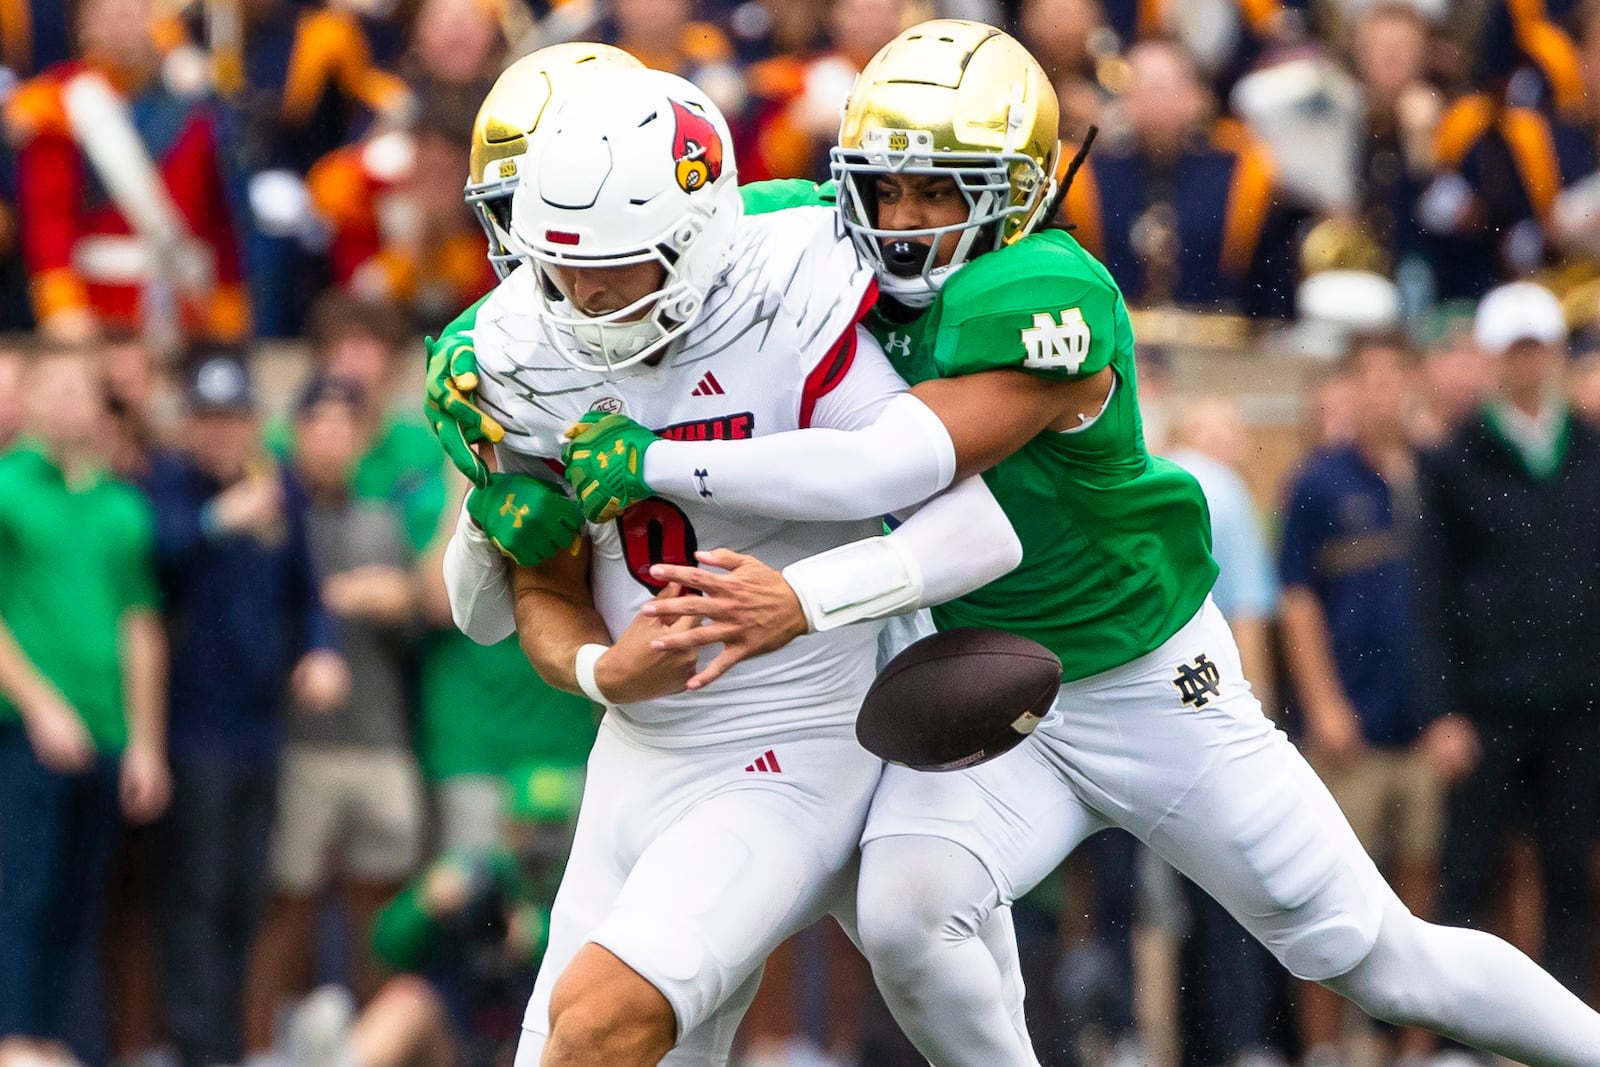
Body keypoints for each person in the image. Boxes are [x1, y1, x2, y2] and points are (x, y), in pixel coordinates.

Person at [540, 21, 1600, 1066]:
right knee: (908, 917)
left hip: (1144, 674)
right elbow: (690, 227)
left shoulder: (1049, 292)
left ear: (1020, 186)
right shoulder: (827, 244)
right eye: (885, 187)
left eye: (940, 190)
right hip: (997, 695)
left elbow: (905, 472)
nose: (902, 220)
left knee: (1371, 953)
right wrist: (492, 335)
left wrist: (650, 462)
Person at [439, 64, 1021, 1067]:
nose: (582, 291)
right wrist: (591, 659)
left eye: (617, 262)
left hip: (793, 740)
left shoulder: (784, 293)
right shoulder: (514, 344)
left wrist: (800, 598)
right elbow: (514, 605)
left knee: (597, 1023)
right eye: (559, 263)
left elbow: (973, 531)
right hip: (632, 754)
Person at [141, 352, 349, 1067]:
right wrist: (215, 518)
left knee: (243, 893)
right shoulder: (171, 484)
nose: (221, 434)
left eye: (232, 419)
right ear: (191, 425)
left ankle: (228, 1043)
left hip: (262, 728)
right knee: (193, 893)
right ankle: (194, 1043)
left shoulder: (277, 488)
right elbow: (154, 555)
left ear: (253, 424)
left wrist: (321, 650)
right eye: (209, 420)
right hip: (193, 727)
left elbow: (308, 592)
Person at [1416, 281, 1600, 1005]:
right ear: (1493, 359)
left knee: (1569, 873)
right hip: (1485, 703)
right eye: (1513, 351)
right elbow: (1429, 593)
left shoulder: (1589, 449)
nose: (1527, 365)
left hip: (1579, 700)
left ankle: (1567, 1026)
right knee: (1467, 871)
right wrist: (1442, 709)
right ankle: (1456, 1035)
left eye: (1538, 349)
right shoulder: (1453, 458)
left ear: (1556, 354)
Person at [1279, 333, 1455, 1065]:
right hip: (1349, 723)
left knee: (1421, 892)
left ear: (1413, 382)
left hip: (1424, 726)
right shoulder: (1317, 482)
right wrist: (1323, 703)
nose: (1382, 391)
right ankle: (1325, 1048)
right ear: (1350, 387)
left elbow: (1459, 601)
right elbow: (1297, 601)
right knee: (1331, 896)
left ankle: (1415, 1050)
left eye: (1395, 375)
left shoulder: (1441, 476)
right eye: (1368, 378)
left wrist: (1452, 709)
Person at [243, 375, 427, 1051]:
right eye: (317, 423)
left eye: (344, 425)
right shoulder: (271, 518)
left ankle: (371, 1047)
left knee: (378, 898)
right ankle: (264, 1046)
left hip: (381, 735)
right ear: (293, 434)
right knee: (287, 899)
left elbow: (421, 623)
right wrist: (327, 601)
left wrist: (400, 598)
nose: (330, 437)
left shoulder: (383, 521)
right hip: (300, 740)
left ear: (361, 437)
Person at [0, 342, 170, 1063]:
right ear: (30, 399)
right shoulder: (7, 488)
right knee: (21, 896)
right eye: (56, 387)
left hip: (105, 730)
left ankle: (58, 1042)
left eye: (83, 388)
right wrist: (40, 705)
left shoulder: (122, 505)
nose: (70, 401)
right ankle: (15, 1038)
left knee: (83, 902)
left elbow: (140, 625)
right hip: (23, 732)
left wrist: (146, 742)